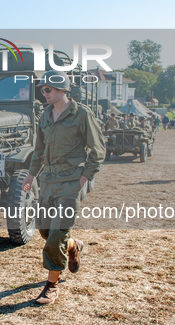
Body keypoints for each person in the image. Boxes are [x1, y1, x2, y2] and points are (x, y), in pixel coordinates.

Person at [21, 70, 106, 306]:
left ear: (62, 90)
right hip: (47, 181)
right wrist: (30, 175)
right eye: (42, 90)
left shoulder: (81, 115)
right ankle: (73, 245)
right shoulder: (45, 115)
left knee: (56, 234)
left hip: (70, 182)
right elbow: (39, 150)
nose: (44, 94)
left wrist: (83, 179)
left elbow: (98, 151)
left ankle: (51, 286)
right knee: (45, 230)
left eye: (47, 89)